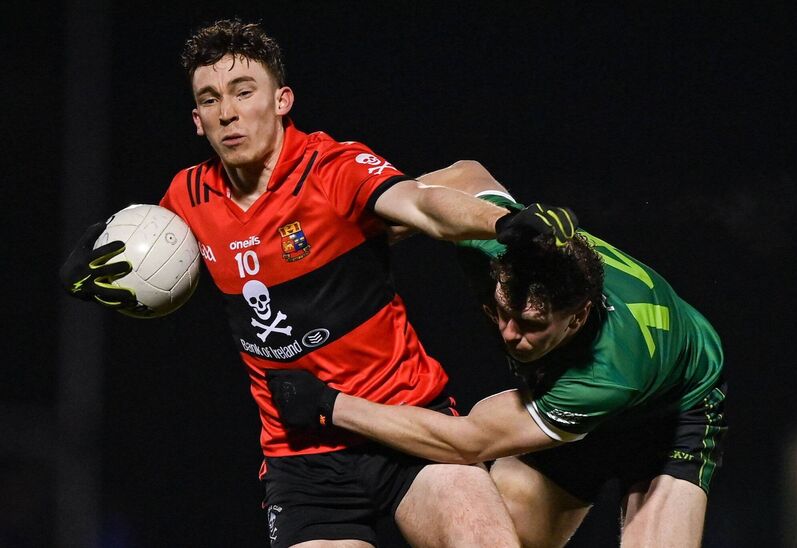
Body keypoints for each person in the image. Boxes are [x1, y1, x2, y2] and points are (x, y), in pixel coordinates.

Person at [57, 19, 579, 548]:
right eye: (210, 100)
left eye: (243, 92)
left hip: (410, 427)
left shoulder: (335, 168)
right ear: (197, 120)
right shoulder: (186, 199)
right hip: (303, 463)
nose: (229, 113)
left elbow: (420, 204)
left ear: (282, 100)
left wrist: (501, 223)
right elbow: (148, 263)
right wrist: (96, 268)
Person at [268, 161, 727, 547]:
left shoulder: (607, 374)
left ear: (578, 316)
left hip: (672, 417)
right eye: (503, 313)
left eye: (531, 326)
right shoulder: (499, 250)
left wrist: (330, 406)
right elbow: (466, 173)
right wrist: (384, 225)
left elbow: (466, 441)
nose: (510, 335)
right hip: (572, 399)